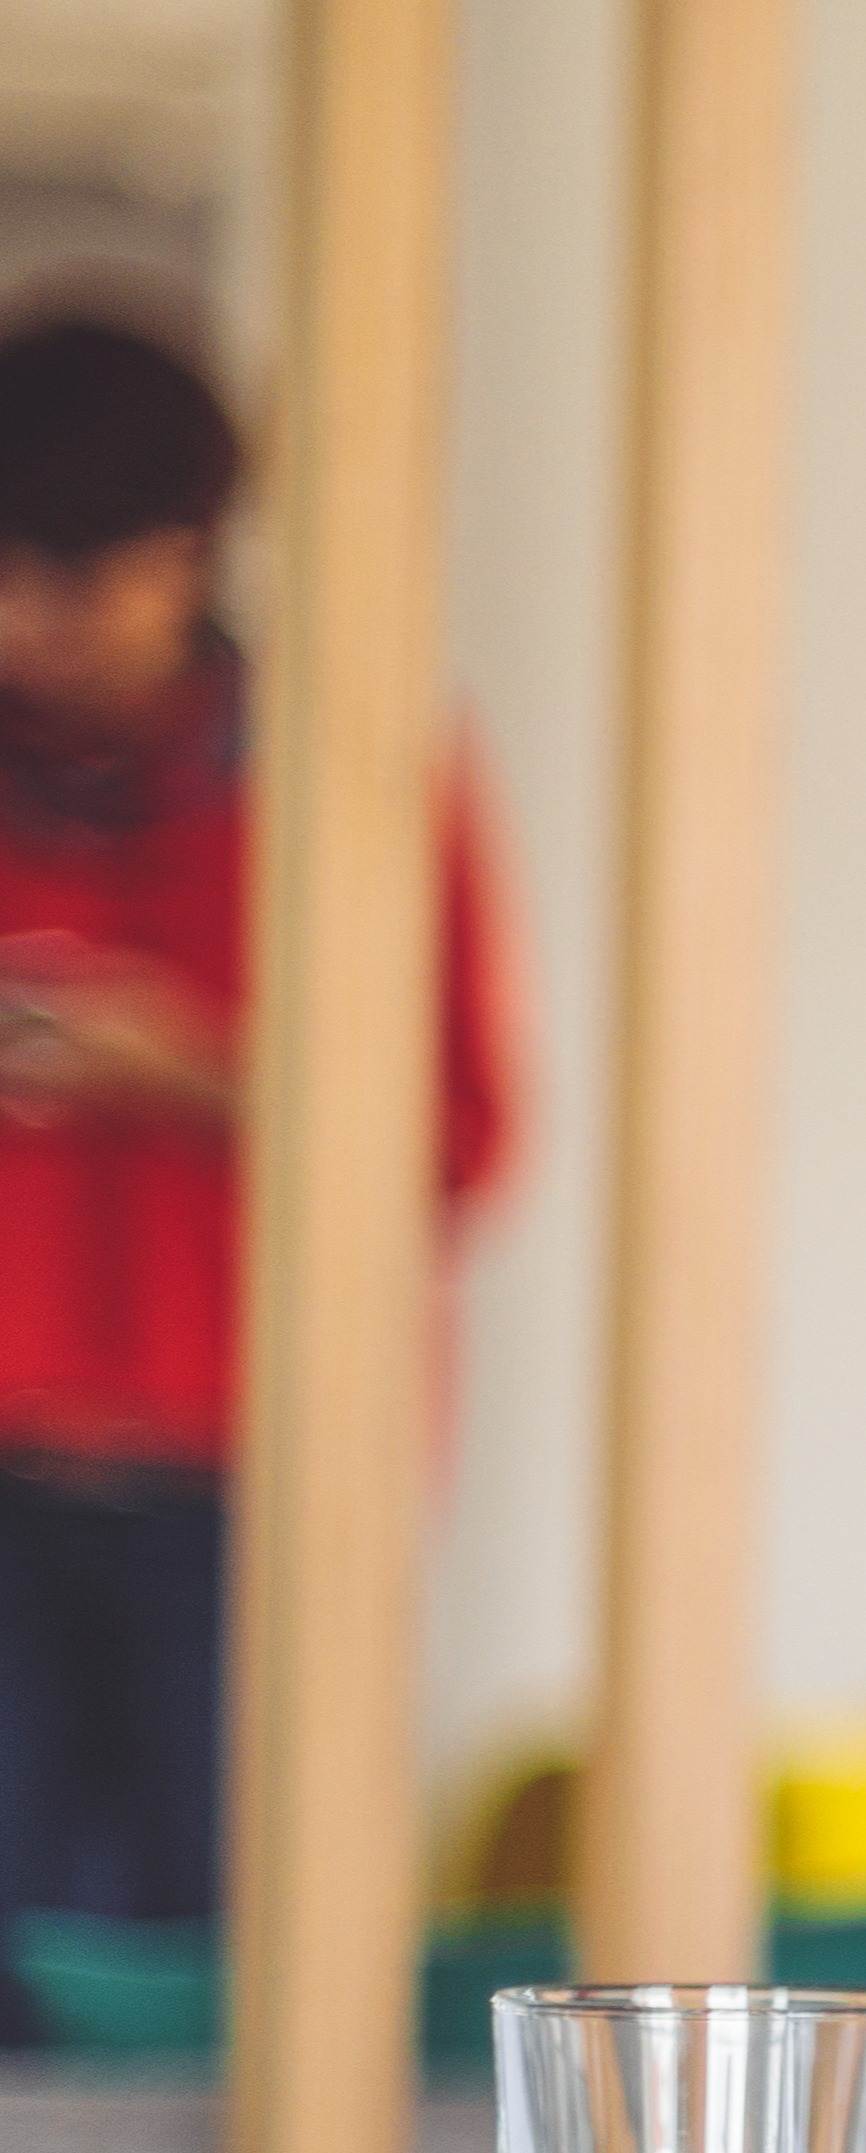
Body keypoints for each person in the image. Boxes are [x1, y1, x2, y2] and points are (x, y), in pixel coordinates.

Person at [0, 302, 511, 2037]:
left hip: (260, 1475)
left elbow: (462, 1137)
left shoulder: (353, 776)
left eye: (75, 578)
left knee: (246, 1986)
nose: (26, 625)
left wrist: (194, 1065)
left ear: (192, 551)